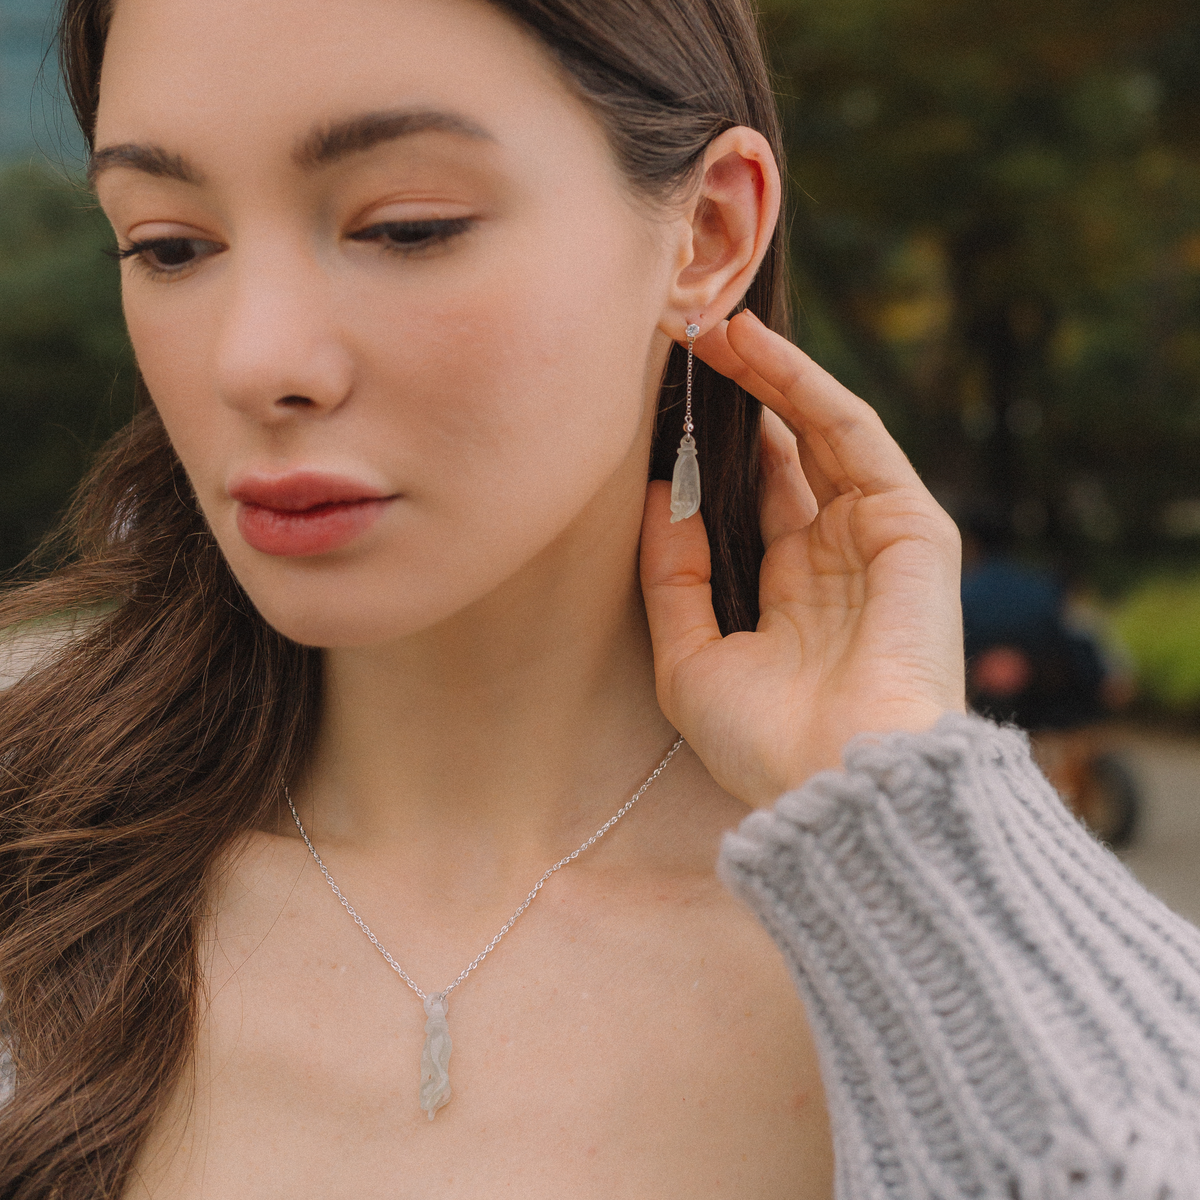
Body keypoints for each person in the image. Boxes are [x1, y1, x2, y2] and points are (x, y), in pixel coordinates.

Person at [1, 0, 1197, 1196]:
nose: (253, 360)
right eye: (168, 245)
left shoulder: (904, 959)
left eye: (406, 227)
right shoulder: (39, 879)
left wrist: (906, 823)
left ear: (708, 235)